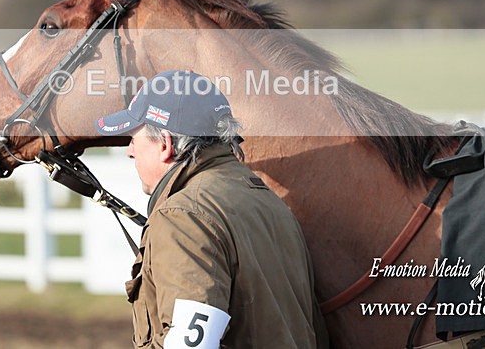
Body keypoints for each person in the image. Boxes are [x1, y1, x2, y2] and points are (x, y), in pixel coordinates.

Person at [95, 69, 329, 348]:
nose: (130, 151)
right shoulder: (269, 201)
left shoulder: (182, 217)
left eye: (133, 139)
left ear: (165, 146)